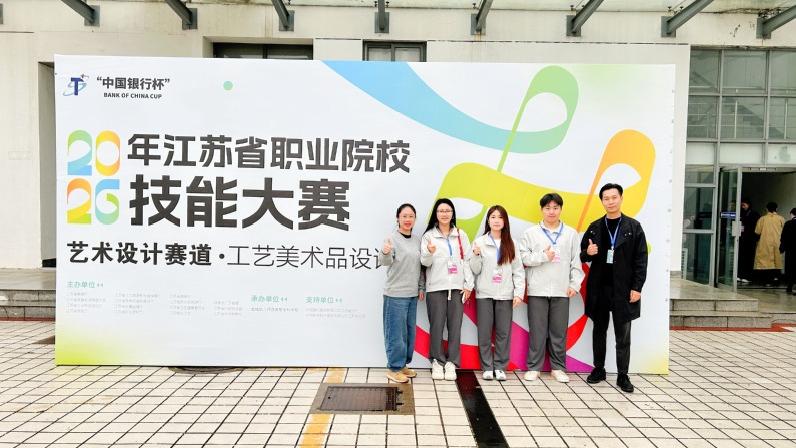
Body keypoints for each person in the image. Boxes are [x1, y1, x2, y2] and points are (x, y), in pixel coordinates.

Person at [580, 183, 648, 393]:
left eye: (614, 197)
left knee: (623, 334)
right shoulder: (594, 227)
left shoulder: (633, 227)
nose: (610, 201)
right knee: (599, 331)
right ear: (602, 201)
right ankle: (598, 369)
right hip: (599, 288)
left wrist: (637, 287)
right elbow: (581, 254)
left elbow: (641, 260)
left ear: (621, 198)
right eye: (606, 198)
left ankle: (622, 375)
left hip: (623, 289)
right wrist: (588, 252)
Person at [520, 193, 584, 383]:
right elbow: (524, 258)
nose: (551, 211)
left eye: (555, 208)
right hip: (537, 289)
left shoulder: (571, 234)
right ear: (542, 210)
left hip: (562, 290)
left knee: (558, 331)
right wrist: (543, 256)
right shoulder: (530, 233)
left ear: (561, 209)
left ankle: (558, 368)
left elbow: (576, 261)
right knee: (537, 331)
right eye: (547, 208)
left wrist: (574, 284)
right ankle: (534, 367)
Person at [469, 205, 524, 381]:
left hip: (505, 294)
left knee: (503, 333)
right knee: (484, 332)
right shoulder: (479, 242)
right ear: (488, 220)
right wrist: (476, 255)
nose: (496, 220)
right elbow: (474, 270)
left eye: (500, 217)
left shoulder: (512, 243)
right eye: (493, 217)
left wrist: (519, 293)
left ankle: (500, 367)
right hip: (485, 293)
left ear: (505, 221)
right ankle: (487, 366)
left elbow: (518, 270)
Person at [421, 198, 474, 381]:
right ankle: (437, 361)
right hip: (436, 287)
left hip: (457, 288)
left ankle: (452, 362)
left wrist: (468, 285)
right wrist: (429, 252)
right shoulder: (429, 236)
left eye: (447, 211)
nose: (444, 214)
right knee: (436, 326)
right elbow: (424, 262)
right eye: (441, 211)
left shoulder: (460, 235)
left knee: (455, 327)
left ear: (452, 214)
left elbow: (467, 260)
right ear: (436, 214)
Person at [379, 203, 425, 383]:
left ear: (415, 219)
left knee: (408, 333)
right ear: (397, 218)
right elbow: (384, 261)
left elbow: (421, 267)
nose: (407, 219)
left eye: (411, 216)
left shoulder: (417, 240)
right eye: (404, 216)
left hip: (412, 294)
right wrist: (385, 252)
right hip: (395, 294)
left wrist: (421, 287)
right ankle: (394, 367)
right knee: (395, 334)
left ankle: (402, 364)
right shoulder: (391, 239)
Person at [754, 202, 785, 287]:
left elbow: (757, 232)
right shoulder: (781, 219)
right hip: (777, 243)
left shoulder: (762, 219)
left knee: (765, 263)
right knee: (777, 262)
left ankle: (767, 281)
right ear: (776, 209)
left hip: (765, 243)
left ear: (766, 209)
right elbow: (784, 231)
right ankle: (776, 279)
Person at [738, 198, 760, 284]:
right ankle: (740, 275)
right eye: (741, 205)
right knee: (741, 258)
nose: (742, 207)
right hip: (742, 239)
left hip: (750, 240)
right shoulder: (741, 213)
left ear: (748, 205)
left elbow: (757, 228)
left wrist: (755, 238)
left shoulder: (754, 214)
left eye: (744, 205)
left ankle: (747, 276)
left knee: (749, 258)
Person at [780, 208, 796, 295]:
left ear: (792, 214)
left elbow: (783, 237)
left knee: (790, 268)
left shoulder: (788, 223)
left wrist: (782, 248)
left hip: (790, 250)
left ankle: (789, 287)